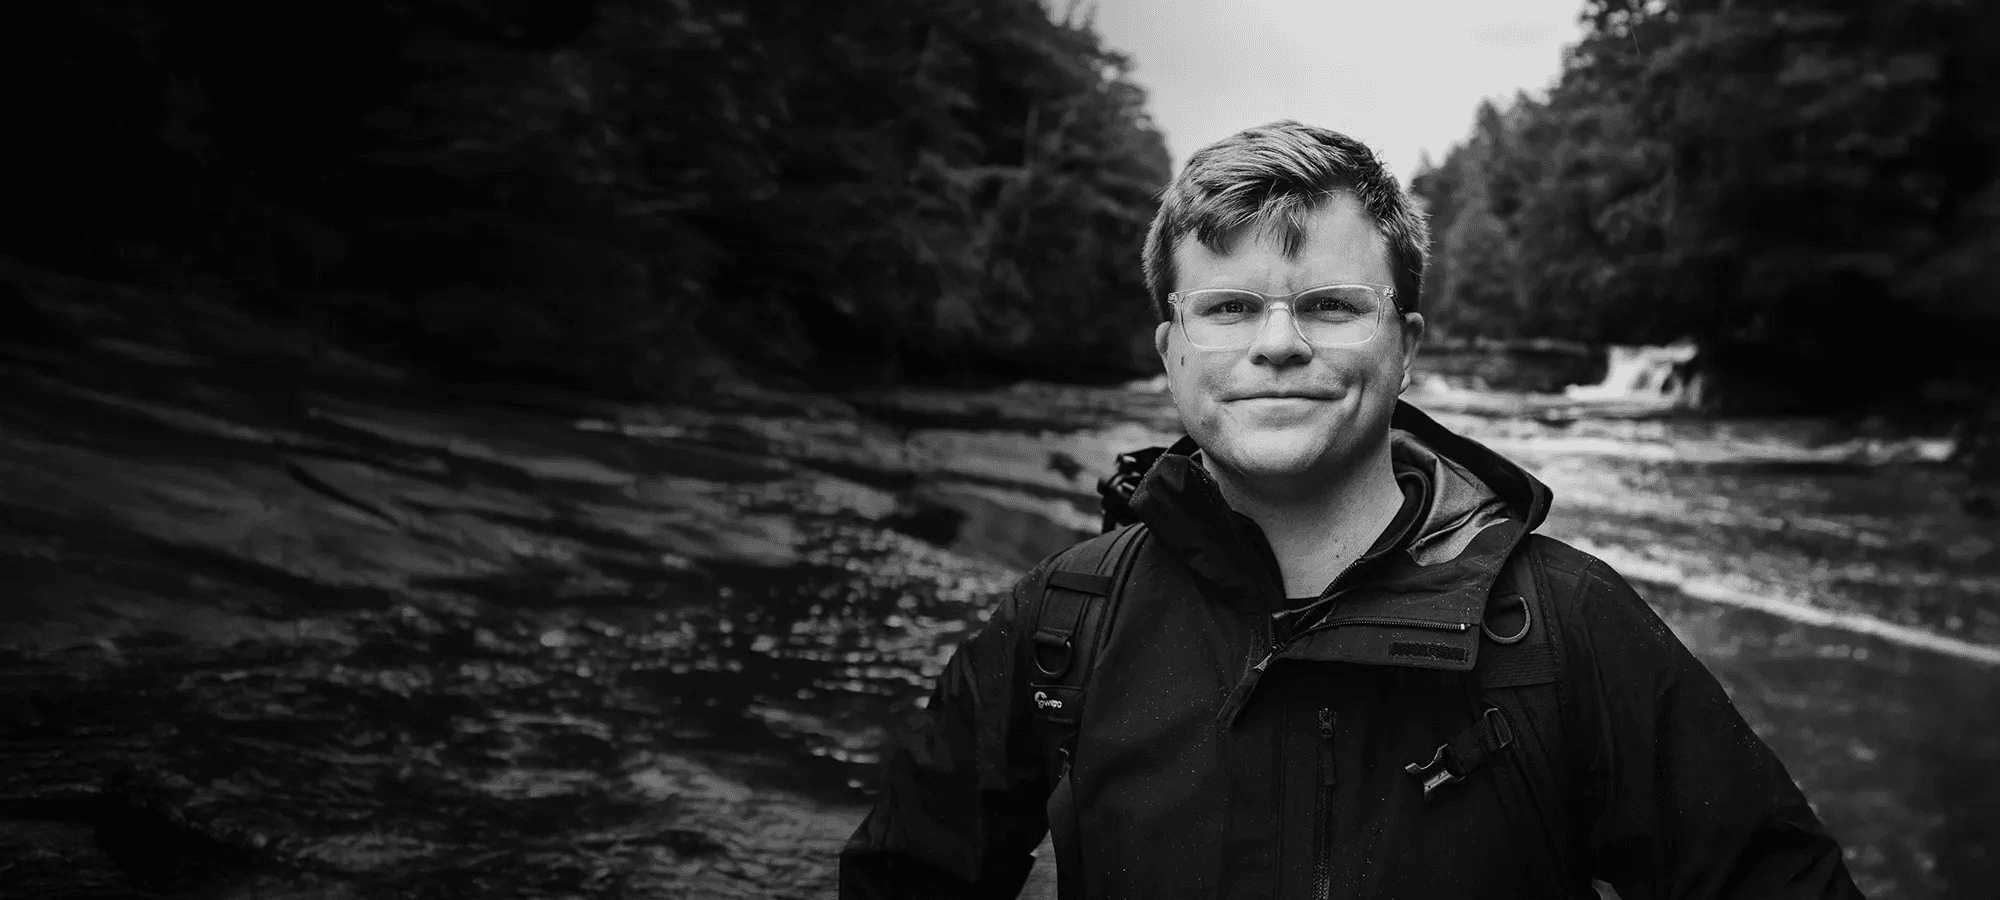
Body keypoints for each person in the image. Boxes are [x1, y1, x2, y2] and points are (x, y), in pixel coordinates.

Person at [839, 121, 1863, 899]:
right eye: (1229, 307)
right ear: (1168, 354)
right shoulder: (1055, 628)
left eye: (1329, 305)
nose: (1276, 344)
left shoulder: (1569, 632)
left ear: (1406, 344)